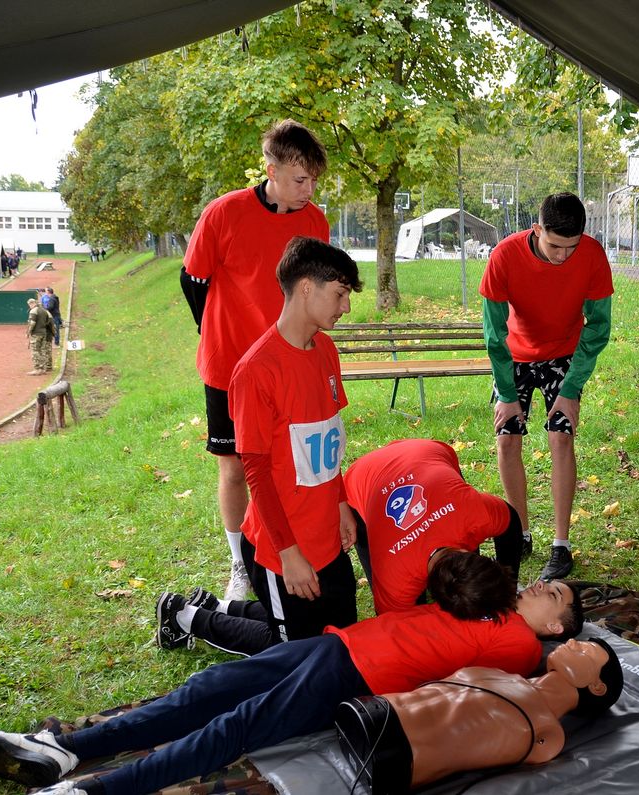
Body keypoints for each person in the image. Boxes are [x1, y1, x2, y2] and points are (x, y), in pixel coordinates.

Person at [0, 552, 583, 795]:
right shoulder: (494, 604)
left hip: (360, 677)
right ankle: (66, 752)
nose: (542, 586)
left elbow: (537, 683)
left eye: (553, 595)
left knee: (234, 726)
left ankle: (96, 790)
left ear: (555, 628)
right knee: (206, 689)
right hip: (336, 647)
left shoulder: (521, 647)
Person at [157, 236, 363, 656]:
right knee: (293, 654)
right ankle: (184, 615)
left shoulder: (325, 350)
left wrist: (341, 502)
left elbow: (328, 438)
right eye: (340, 294)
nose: (346, 307)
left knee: (340, 641)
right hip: (279, 544)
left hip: (325, 533)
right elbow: (256, 472)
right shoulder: (256, 371)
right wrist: (288, 555)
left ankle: (218, 605)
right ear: (307, 287)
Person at [181, 119, 330, 601]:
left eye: (312, 180)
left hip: (288, 365)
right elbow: (193, 280)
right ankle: (239, 563)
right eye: (298, 179)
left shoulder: (314, 221)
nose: (308, 190)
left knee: (288, 461)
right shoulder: (224, 214)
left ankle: (288, 544)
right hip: (228, 367)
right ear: (271, 169)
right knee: (235, 466)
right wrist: (217, 332)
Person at [479, 191, 614, 581]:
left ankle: (561, 545)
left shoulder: (591, 255)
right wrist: (506, 394)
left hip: (564, 355)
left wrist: (571, 388)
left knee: (562, 437)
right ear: (536, 229)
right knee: (507, 438)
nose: (563, 256)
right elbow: (494, 333)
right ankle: (519, 533)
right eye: (555, 246)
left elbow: (599, 327)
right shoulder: (504, 256)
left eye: (571, 247)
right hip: (515, 355)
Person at [336, 636, 623, 792]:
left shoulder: (547, 734)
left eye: (584, 651)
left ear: (597, 687)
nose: (572, 642)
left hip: (393, 756)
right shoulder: (506, 676)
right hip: (366, 710)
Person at [345, 437, 525, 614]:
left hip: (423, 453)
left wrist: (510, 589)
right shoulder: (394, 580)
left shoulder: (474, 513)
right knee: (406, 612)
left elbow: (511, 523)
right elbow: (396, 629)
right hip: (361, 477)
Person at [25, 297, 55, 374]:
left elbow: (32, 323)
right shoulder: (45, 311)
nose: (29, 306)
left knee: (35, 351)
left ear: (32, 303)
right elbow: (51, 322)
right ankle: (44, 367)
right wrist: (53, 333)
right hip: (44, 333)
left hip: (36, 333)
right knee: (42, 350)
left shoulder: (33, 311)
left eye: (29, 304)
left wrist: (28, 332)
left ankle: (38, 369)